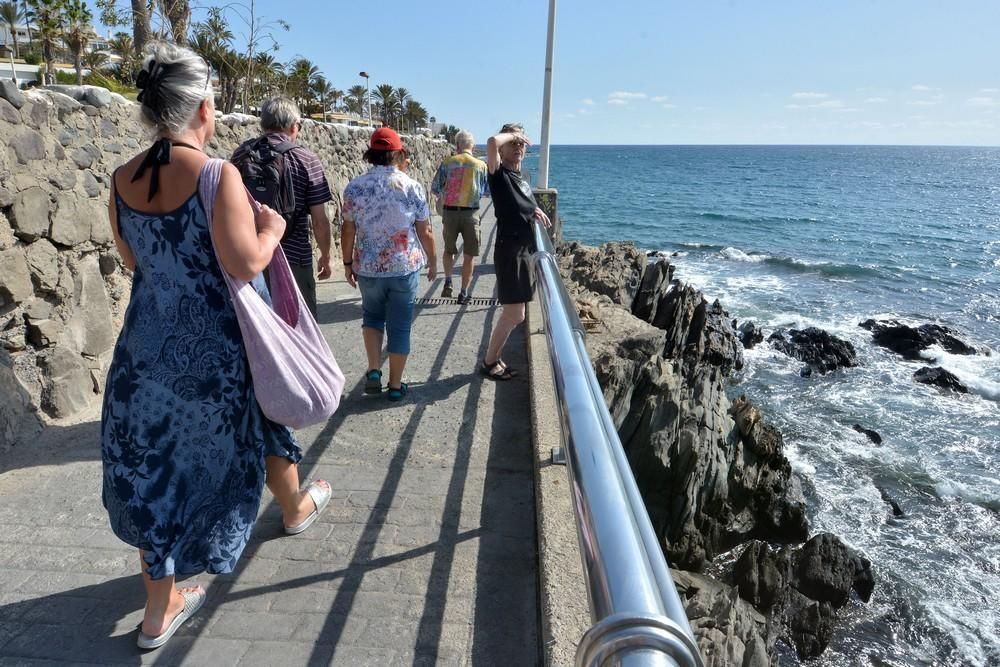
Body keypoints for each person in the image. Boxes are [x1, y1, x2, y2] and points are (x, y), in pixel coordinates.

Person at [101, 42, 331, 651]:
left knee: (153, 470)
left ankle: (159, 610)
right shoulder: (213, 173)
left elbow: (133, 263)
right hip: (218, 357)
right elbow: (243, 259)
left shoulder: (121, 180)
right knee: (254, 426)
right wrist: (274, 226)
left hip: (144, 356)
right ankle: (294, 508)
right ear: (205, 106)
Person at [341, 127, 437, 401]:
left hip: (368, 267)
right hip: (403, 267)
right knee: (400, 325)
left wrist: (348, 263)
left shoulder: (355, 187)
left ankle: (373, 371)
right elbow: (425, 231)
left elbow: (347, 231)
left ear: (371, 154)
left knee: (371, 316)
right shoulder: (411, 186)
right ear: (398, 153)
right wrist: (432, 261)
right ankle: (395, 386)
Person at [231, 96, 333, 317]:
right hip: (294, 258)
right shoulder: (306, 159)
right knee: (300, 329)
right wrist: (326, 255)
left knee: (258, 329)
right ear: (293, 125)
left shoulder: (241, 155)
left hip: (250, 256)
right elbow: (320, 220)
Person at [481, 123, 550, 380]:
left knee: (516, 314)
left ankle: (493, 358)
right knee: (514, 313)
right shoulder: (498, 172)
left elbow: (519, 202)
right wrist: (512, 134)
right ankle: (489, 361)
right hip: (509, 250)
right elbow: (490, 141)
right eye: (514, 143)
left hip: (522, 249)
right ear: (504, 146)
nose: (519, 147)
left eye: (522, 143)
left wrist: (534, 209)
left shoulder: (519, 176)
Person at [431, 130, 489, 304]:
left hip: (449, 213)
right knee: (469, 254)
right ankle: (463, 292)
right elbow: (486, 191)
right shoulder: (480, 165)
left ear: (457, 145)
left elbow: (435, 187)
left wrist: (448, 193)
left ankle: (448, 280)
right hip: (471, 214)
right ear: (473, 146)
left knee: (449, 250)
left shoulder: (447, 163)